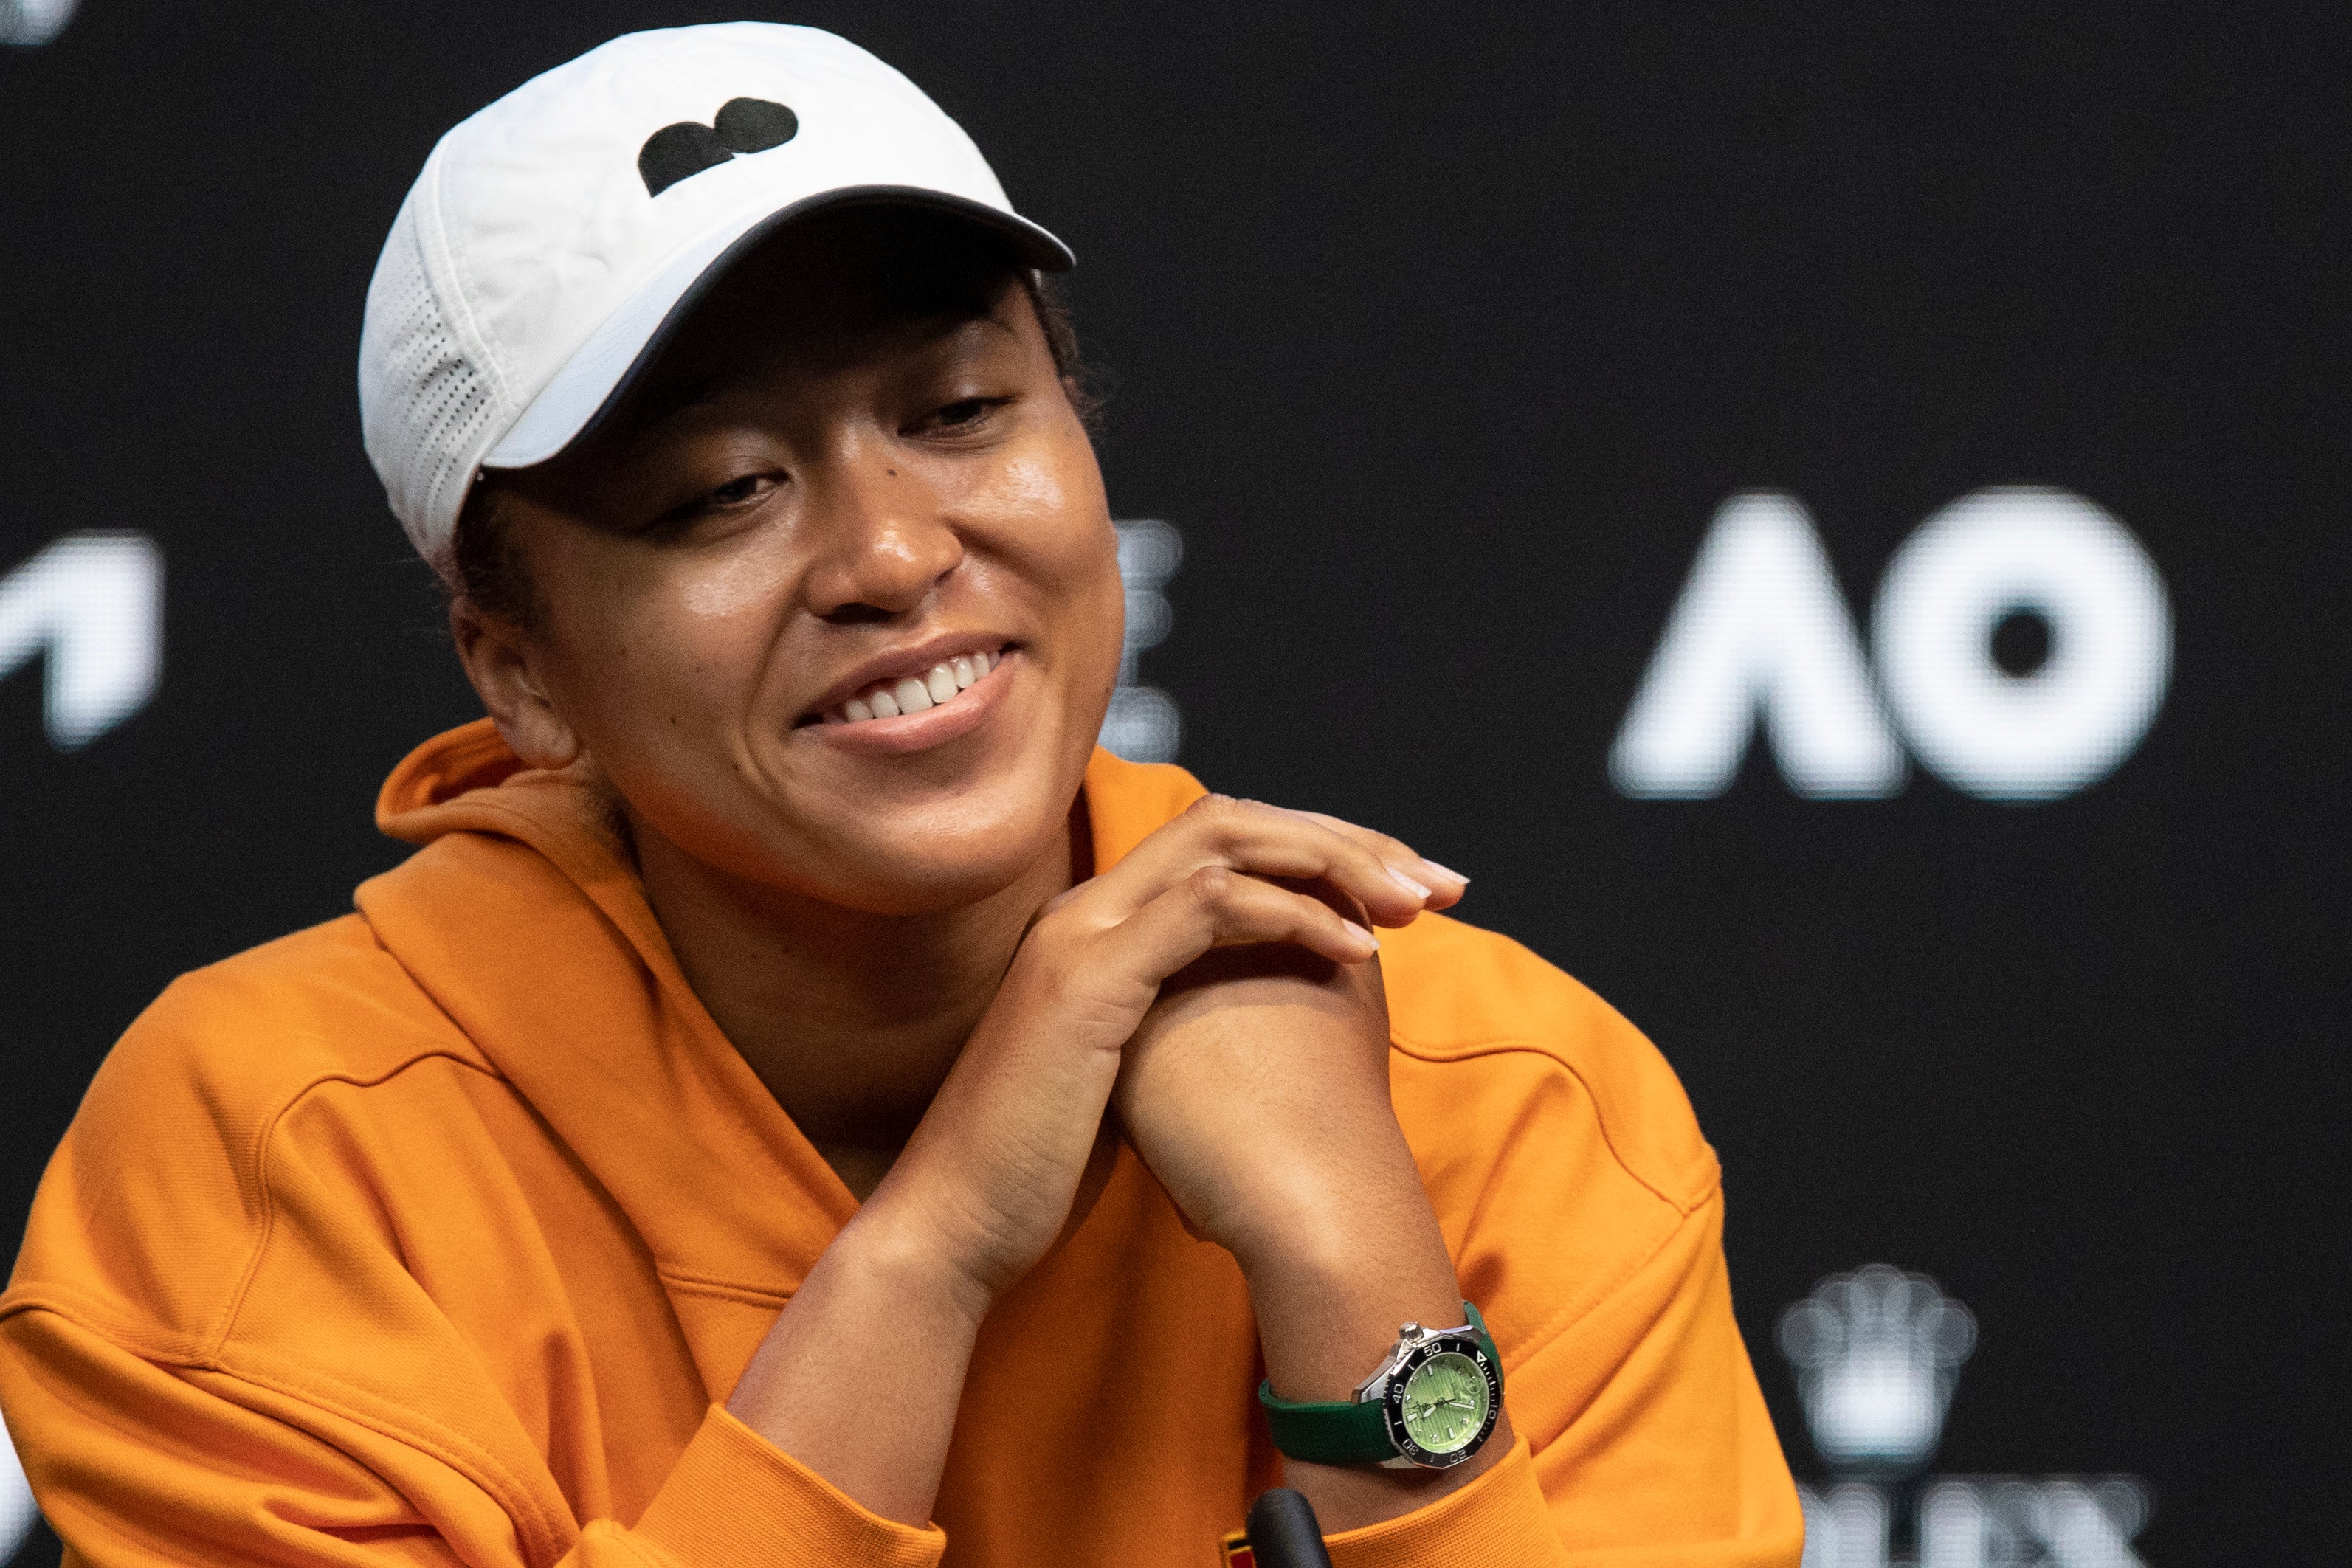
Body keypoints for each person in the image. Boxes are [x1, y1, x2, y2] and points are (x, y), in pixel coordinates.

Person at [0, 24, 1801, 1568]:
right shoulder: (279, 1155)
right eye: (720, 490)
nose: (886, 551)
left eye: (955, 409)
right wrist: (925, 1256)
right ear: (517, 668)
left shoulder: (1489, 1092)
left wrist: (1348, 1257)